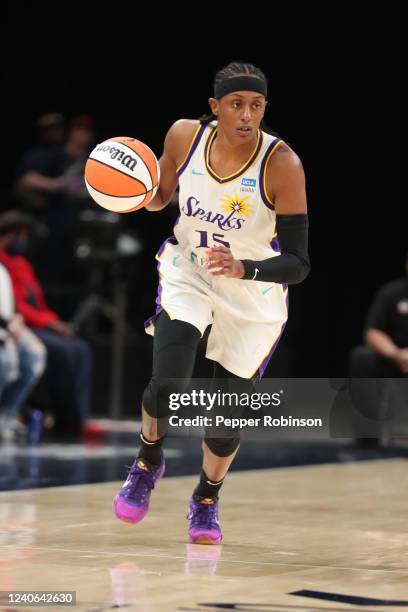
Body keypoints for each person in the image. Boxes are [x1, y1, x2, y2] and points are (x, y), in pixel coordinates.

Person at [113, 62, 310, 544]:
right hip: (192, 271)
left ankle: (205, 498)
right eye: (237, 104)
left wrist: (247, 268)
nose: (247, 115)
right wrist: (137, 195)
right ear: (214, 107)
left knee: (225, 419)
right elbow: (161, 197)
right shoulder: (184, 136)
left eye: (257, 105)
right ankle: (146, 462)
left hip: (253, 290)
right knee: (169, 382)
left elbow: (300, 263)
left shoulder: (282, 164)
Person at [0, 210, 92, 438]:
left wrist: (55, 322)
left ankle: (76, 418)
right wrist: (48, 324)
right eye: (22, 236)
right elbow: (16, 306)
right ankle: (59, 417)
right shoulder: (2, 263)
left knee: (80, 349)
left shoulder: (21, 263)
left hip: (35, 322)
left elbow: (37, 301)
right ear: (10, 235)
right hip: (20, 323)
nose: (25, 242)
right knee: (62, 353)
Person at [347, 252, 408, 445]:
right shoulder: (392, 292)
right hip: (396, 358)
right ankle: (368, 439)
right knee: (361, 358)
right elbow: (373, 332)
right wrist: (397, 354)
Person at [0, 262, 46, 440]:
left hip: (7, 328)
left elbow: (10, 308)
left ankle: (7, 413)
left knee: (34, 354)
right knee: (5, 360)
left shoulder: (2, 271)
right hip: (3, 331)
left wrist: (14, 322)